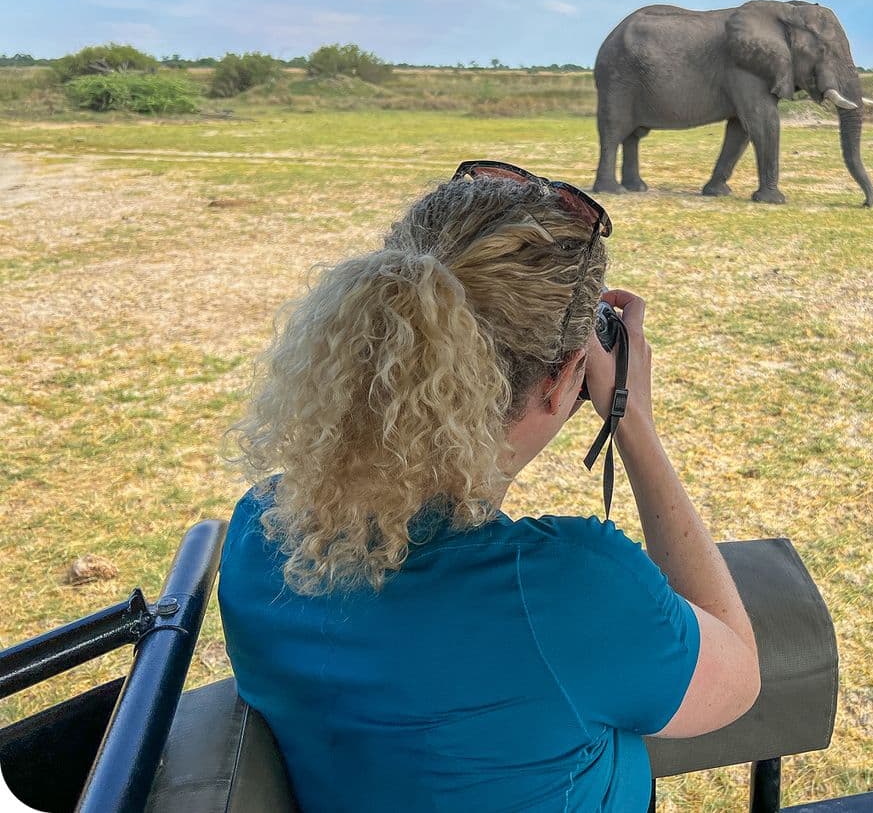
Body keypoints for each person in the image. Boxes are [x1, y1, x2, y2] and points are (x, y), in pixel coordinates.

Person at [218, 163, 761, 812]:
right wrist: (634, 425)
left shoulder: (263, 530)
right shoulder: (572, 590)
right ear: (564, 382)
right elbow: (739, 671)